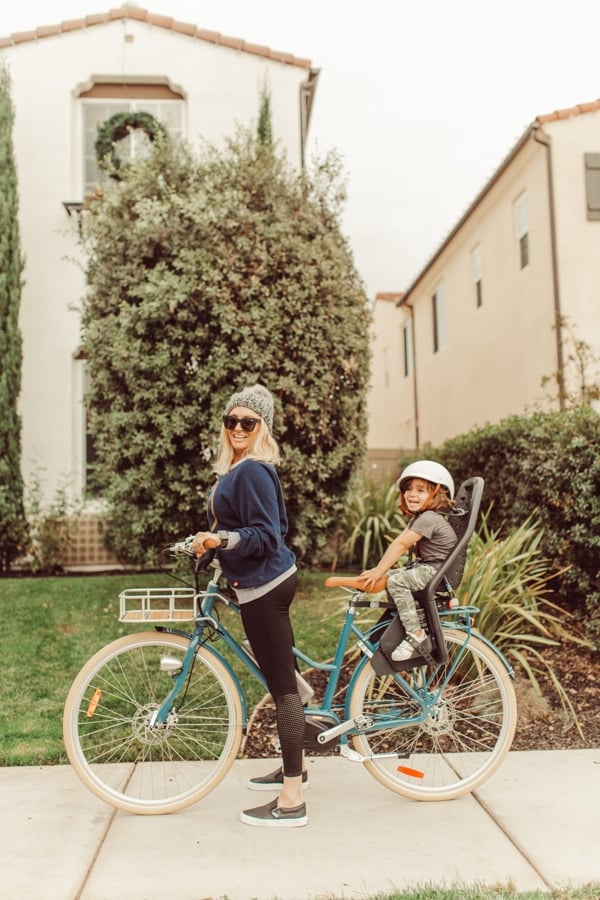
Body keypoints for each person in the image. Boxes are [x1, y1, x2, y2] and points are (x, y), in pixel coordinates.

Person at [191, 384, 308, 828]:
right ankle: (297, 764)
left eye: (248, 422)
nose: (238, 428)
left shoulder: (254, 470)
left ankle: (293, 798)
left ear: (263, 428)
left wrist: (222, 540)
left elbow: (267, 535)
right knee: (280, 674)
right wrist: (212, 547)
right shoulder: (237, 469)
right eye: (232, 421)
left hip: (266, 586)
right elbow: (262, 526)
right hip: (255, 583)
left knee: (282, 688)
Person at [358, 460, 457, 662]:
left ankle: (415, 633)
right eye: (408, 489)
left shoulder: (429, 518)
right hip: (430, 569)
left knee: (396, 581)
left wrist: (378, 570)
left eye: (421, 490)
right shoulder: (422, 517)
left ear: (438, 493)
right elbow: (399, 541)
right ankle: (401, 623)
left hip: (436, 571)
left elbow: (401, 544)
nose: (412, 494)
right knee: (390, 577)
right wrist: (381, 573)